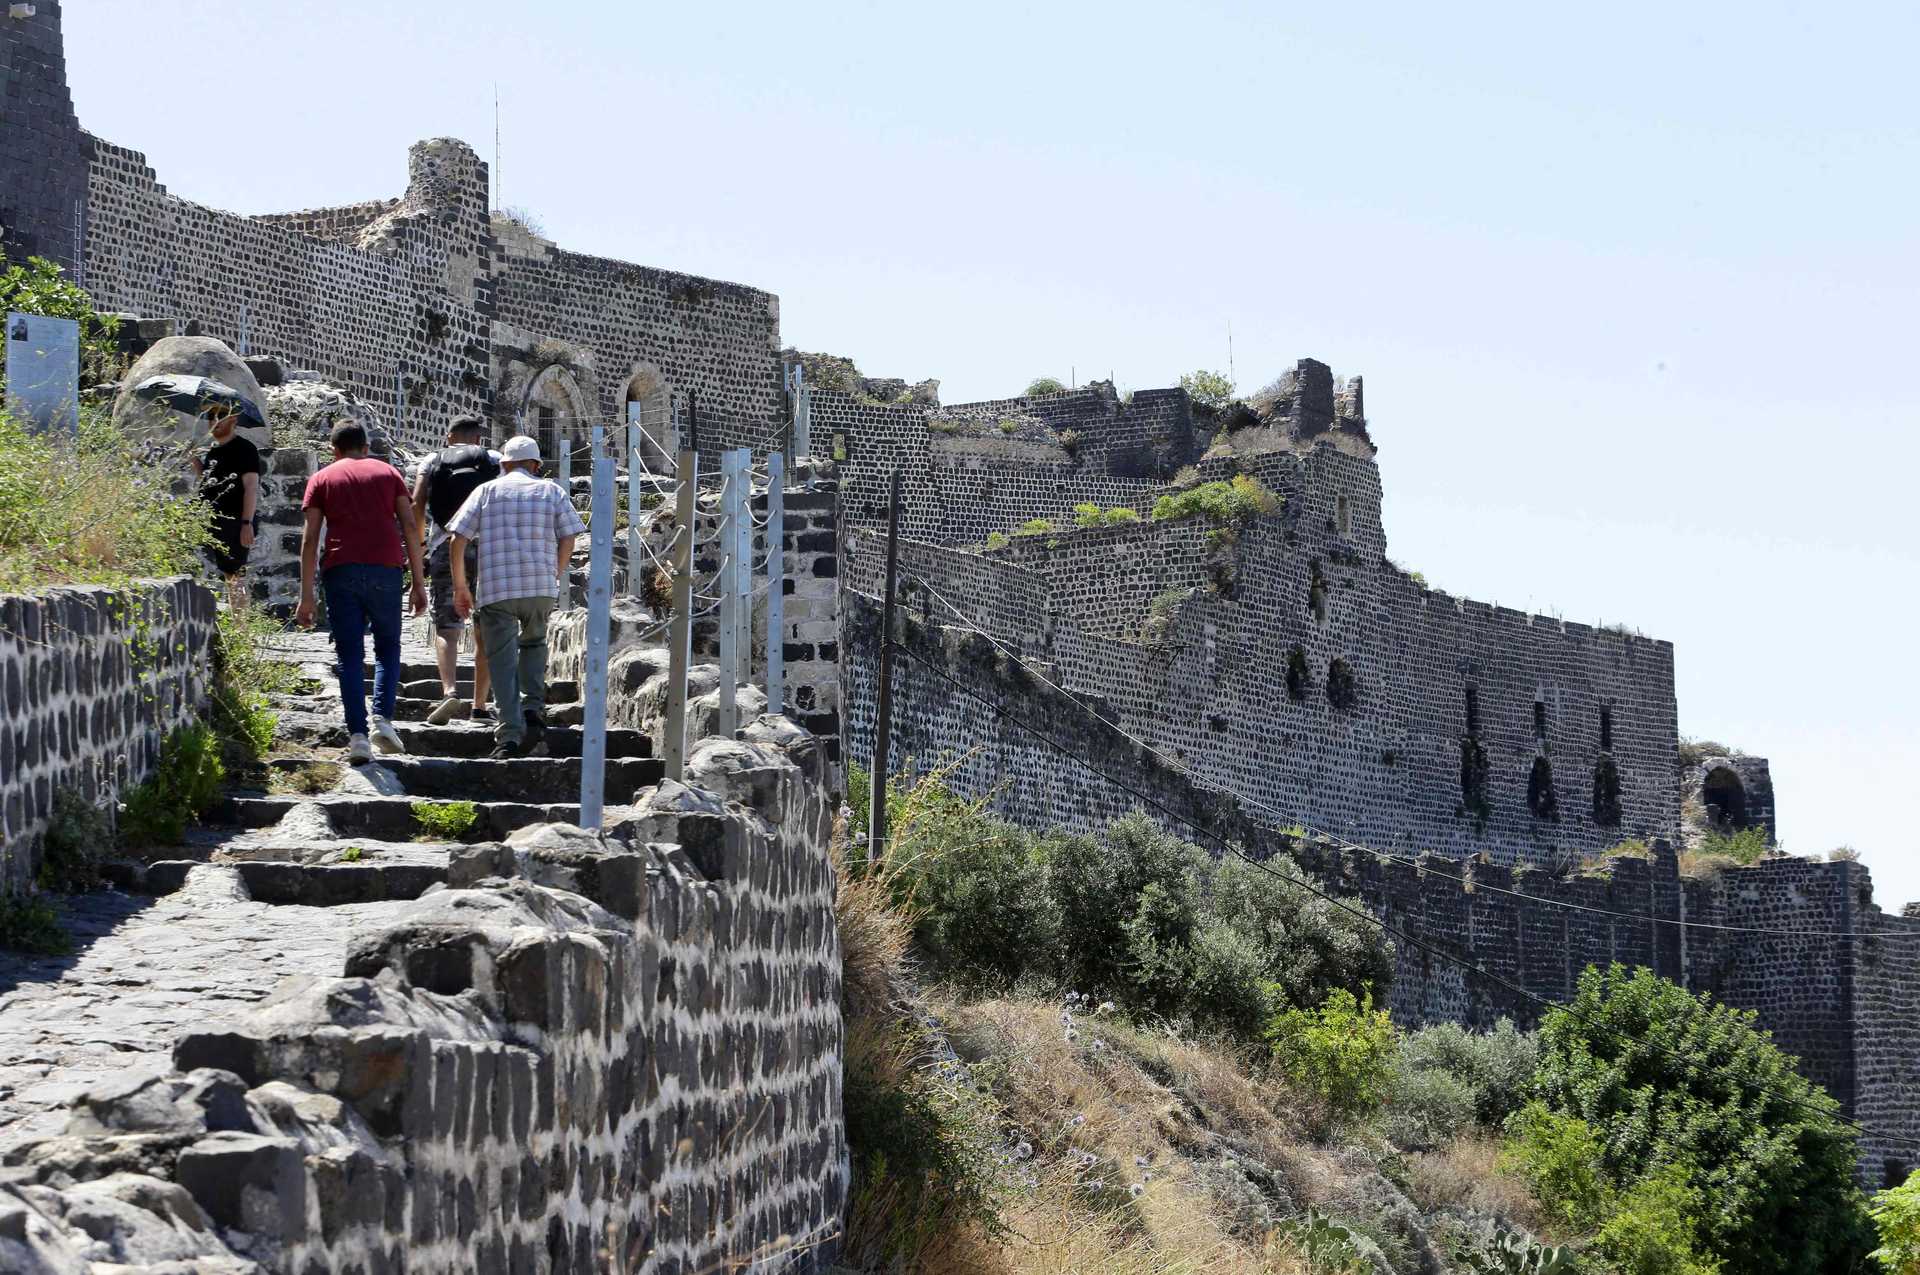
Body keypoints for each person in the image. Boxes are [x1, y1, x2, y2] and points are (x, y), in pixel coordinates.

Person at [295, 422, 428, 764]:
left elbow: (310, 539)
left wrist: (306, 595)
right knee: (388, 647)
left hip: (341, 570)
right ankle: (382, 719)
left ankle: (358, 736)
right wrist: (418, 581)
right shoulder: (389, 474)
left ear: (334, 450)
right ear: (366, 447)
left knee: (349, 656)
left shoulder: (321, 479)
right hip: (386, 568)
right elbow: (409, 525)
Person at [446, 434, 584, 759]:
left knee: (501, 661)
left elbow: (457, 539)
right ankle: (533, 708)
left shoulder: (486, 491)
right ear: (535, 465)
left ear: (504, 464)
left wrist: (461, 586)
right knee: (535, 643)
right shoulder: (551, 491)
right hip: (540, 587)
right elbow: (569, 536)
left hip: (498, 589)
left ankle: (509, 734)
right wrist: (556, 571)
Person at [411, 414, 498, 724]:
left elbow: (417, 504)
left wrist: (420, 544)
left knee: (447, 628)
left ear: (449, 437)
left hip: (445, 547)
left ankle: (449, 692)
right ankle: (480, 706)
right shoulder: (494, 459)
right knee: (485, 628)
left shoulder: (432, 460)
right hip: (488, 549)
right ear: (478, 439)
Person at [188, 403, 260, 611]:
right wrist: (194, 459)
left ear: (233, 419)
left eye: (221, 415)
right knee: (230, 576)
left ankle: (241, 626)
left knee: (236, 575)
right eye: (210, 416)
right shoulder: (214, 450)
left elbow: (251, 487)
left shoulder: (245, 449)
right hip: (214, 520)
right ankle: (238, 624)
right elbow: (208, 482)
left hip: (235, 521)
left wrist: (246, 523)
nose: (214, 420)